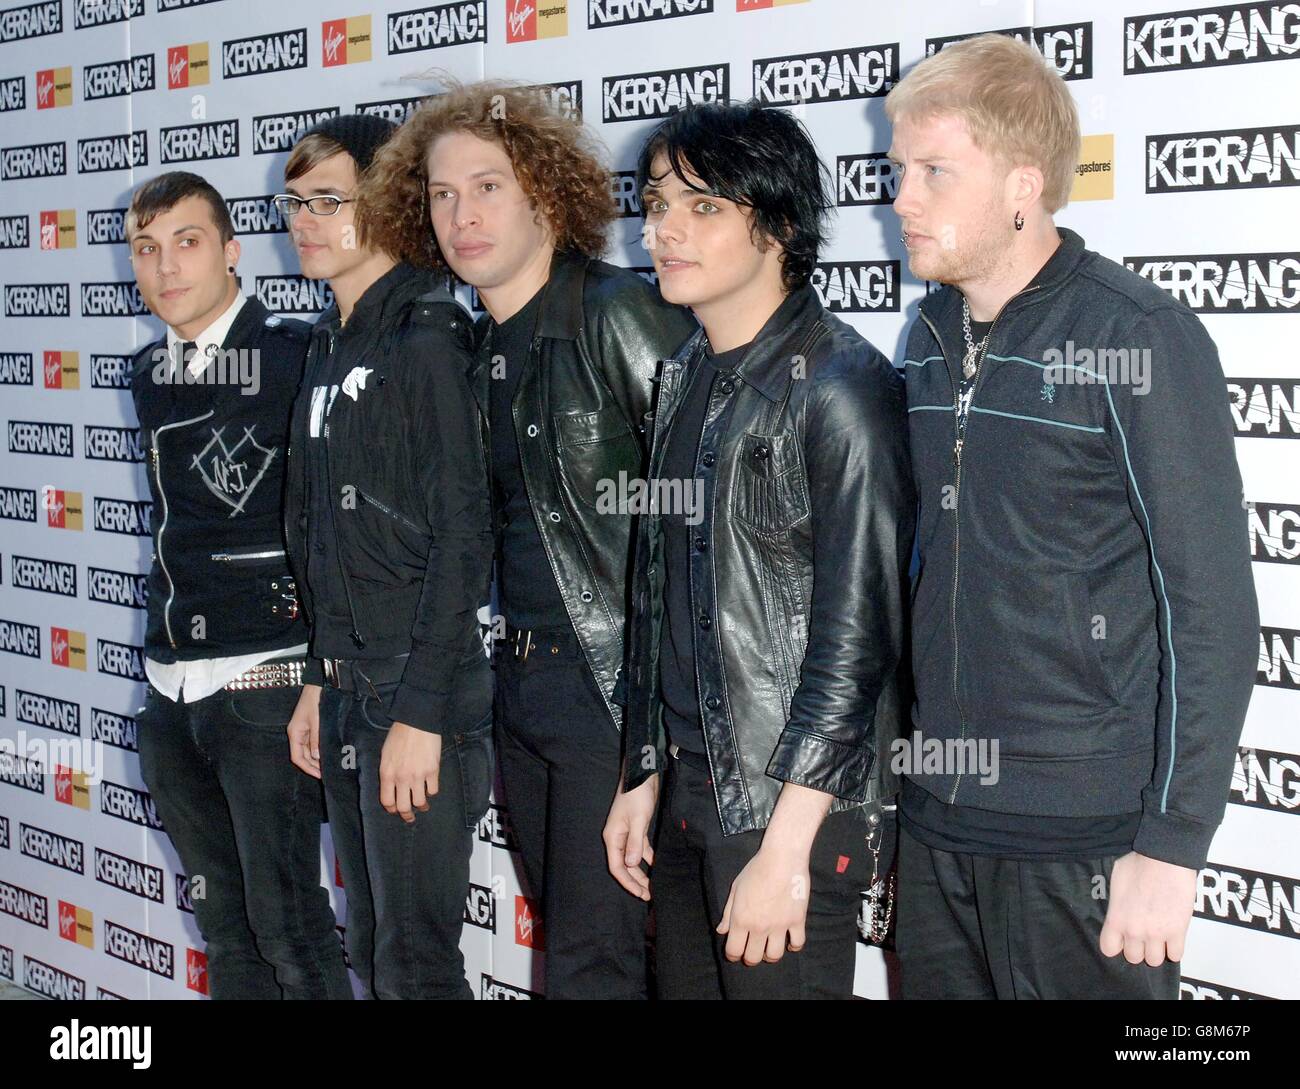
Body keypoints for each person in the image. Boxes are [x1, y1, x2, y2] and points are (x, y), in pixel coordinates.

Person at [885, 33, 1259, 999]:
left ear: (1023, 183)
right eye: (899, 169)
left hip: (1086, 841)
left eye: (933, 171)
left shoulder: (1135, 335)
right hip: (936, 824)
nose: (901, 199)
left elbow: (1210, 608)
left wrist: (1173, 846)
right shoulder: (925, 333)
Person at [356, 80, 696, 998]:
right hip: (524, 686)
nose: (462, 215)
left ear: (545, 191)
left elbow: (703, 523)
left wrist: (655, 733)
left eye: (488, 186)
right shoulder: (474, 347)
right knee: (582, 951)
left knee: (598, 962)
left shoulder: (615, 311)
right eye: (441, 195)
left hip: (614, 694)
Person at [606, 101, 916, 999]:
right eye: (658, 203)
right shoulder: (689, 375)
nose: (665, 228)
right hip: (693, 796)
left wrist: (788, 848)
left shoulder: (843, 389)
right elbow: (659, 596)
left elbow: (858, 645)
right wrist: (642, 774)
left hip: (791, 809)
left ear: (777, 224)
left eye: (703, 207)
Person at [280, 114, 493, 1000]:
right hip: (348, 688)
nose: (306, 221)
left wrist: (423, 711)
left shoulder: (428, 334)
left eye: (330, 200)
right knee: (371, 944)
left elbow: (463, 535)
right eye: (294, 203)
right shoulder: (331, 341)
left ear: (386, 203)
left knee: (415, 959)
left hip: (417, 691)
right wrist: (318, 678)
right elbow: (325, 534)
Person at [126, 171, 350, 999]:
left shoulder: (296, 359)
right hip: (173, 690)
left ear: (231, 250)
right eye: (145, 249)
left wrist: (321, 675)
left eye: (186, 242)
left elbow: (333, 533)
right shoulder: (150, 372)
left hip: (266, 684)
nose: (165, 268)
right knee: (225, 930)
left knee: (292, 929)